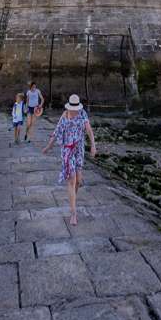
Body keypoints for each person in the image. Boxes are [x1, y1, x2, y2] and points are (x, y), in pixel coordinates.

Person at [42, 94, 96, 225]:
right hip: (67, 151)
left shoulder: (82, 114)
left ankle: (73, 199)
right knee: (71, 180)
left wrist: (93, 146)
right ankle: (73, 213)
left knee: (78, 181)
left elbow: (88, 130)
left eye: (76, 108)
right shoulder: (65, 115)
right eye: (73, 108)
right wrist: (48, 146)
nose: (74, 110)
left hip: (79, 150)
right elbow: (56, 131)